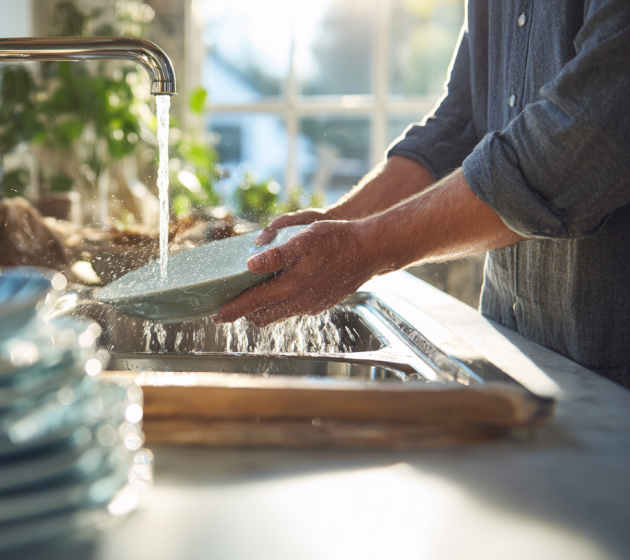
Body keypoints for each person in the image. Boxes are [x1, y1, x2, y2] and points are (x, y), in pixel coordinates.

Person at [214, 0, 630, 389]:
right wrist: (341, 220)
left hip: (610, 371)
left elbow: (586, 140)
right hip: (510, 348)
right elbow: (462, 121)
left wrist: (364, 245)